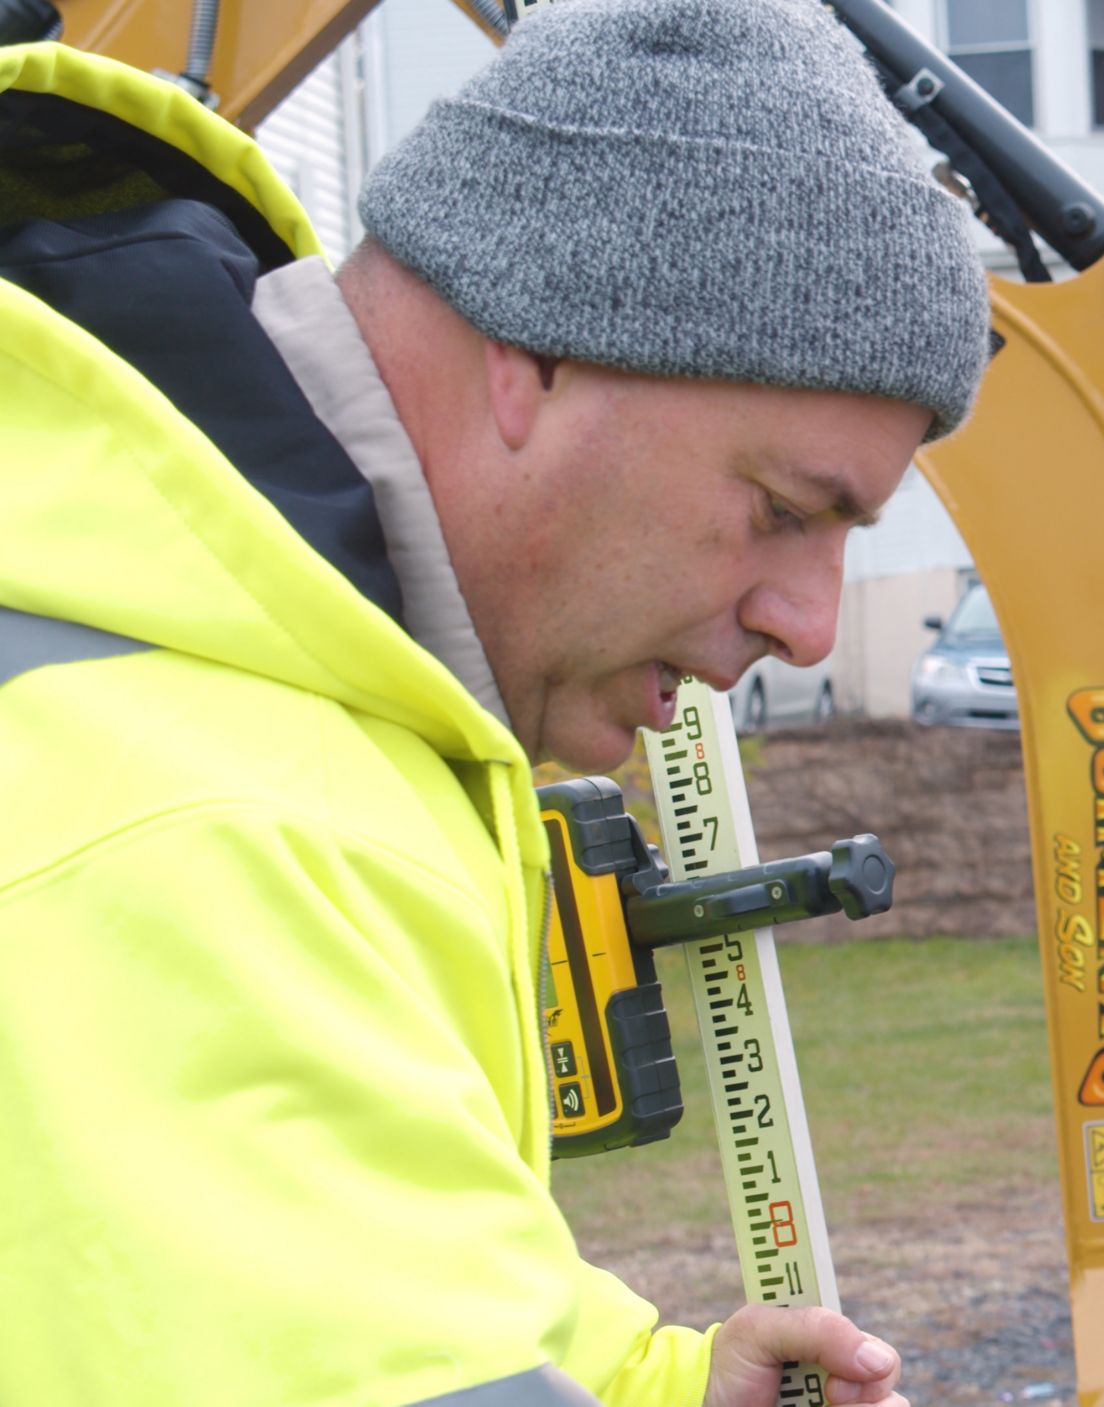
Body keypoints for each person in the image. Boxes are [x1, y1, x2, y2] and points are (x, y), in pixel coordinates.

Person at [0, 0, 988, 1400]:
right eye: (779, 507)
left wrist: (656, 1384)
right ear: (530, 355)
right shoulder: (202, 821)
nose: (808, 621)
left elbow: (356, 1298)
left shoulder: (298, 687)